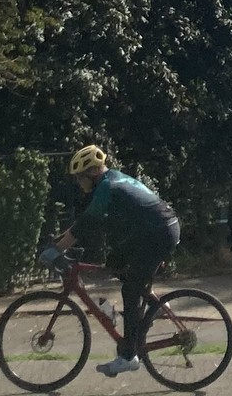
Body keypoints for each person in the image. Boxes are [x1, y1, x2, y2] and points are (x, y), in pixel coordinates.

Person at [51, 145, 181, 378]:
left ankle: (129, 357)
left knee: (130, 291)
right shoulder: (112, 179)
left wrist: (57, 249)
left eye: (79, 179)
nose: (79, 184)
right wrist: (59, 242)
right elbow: (88, 219)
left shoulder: (106, 186)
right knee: (115, 261)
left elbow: (87, 221)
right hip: (155, 229)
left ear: (90, 174)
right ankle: (156, 305)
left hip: (159, 232)